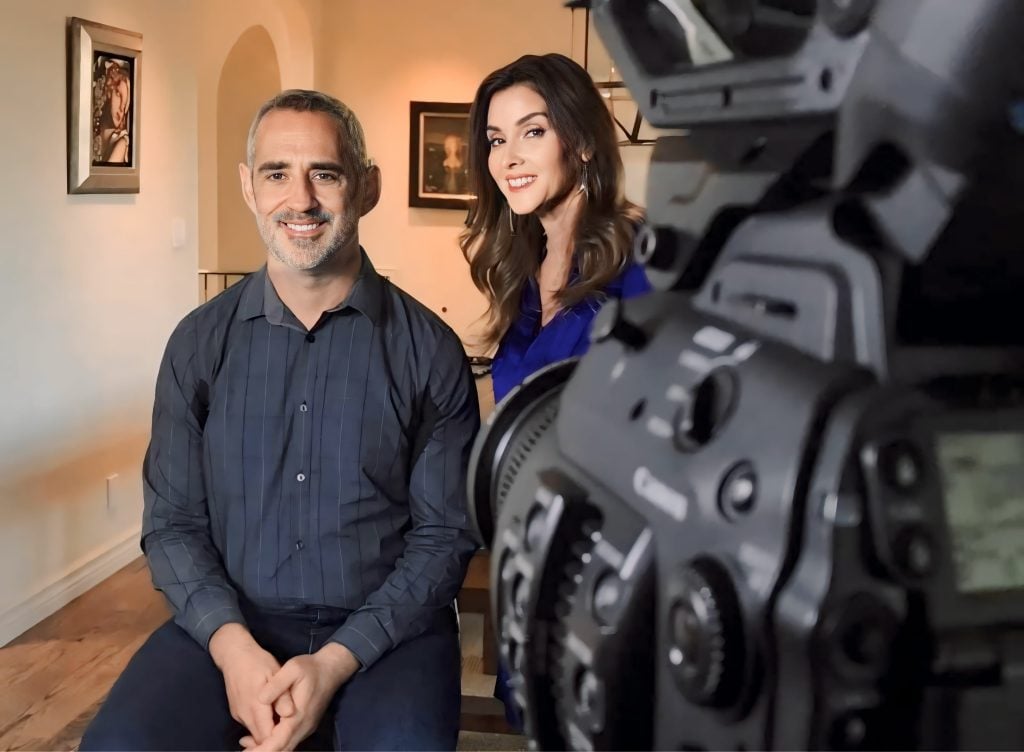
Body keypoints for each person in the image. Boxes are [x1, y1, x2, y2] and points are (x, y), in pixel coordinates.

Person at [81, 90, 479, 752]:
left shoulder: (428, 351)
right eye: (276, 174)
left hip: (388, 632)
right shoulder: (198, 345)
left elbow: (443, 539)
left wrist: (336, 661)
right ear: (248, 187)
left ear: (368, 188)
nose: (300, 200)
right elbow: (173, 526)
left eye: (325, 173)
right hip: (233, 622)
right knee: (116, 746)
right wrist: (233, 649)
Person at [459, 53, 651, 727]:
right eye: (495, 137)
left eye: (533, 131)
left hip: (621, 564)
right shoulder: (521, 270)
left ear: (584, 140)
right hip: (535, 548)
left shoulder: (643, 258)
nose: (508, 154)